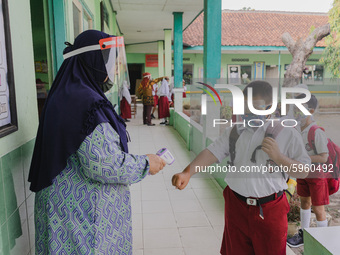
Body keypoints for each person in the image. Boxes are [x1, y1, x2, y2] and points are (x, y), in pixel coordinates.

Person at [28, 30, 166, 255]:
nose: (114, 69)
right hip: (80, 219)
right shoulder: (83, 102)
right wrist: (145, 164)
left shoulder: (68, 94)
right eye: (110, 61)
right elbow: (104, 164)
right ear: (94, 60)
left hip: (65, 210)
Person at [172, 80, 311, 255]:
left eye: (255, 108)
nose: (248, 113)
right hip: (236, 206)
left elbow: (304, 170)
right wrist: (188, 172)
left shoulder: (287, 133)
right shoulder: (235, 131)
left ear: (271, 107)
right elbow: (212, 152)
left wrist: (279, 157)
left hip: (270, 210)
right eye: (245, 108)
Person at [287, 95, 329, 248]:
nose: (298, 113)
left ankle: (322, 241)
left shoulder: (316, 131)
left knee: (318, 208)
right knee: (304, 203)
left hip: (317, 175)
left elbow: (324, 157)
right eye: (296, 109)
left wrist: (305, 158)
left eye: (301, 109)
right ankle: (304, 234)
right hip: (303, 173)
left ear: (310, 111)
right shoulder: (298, 129)